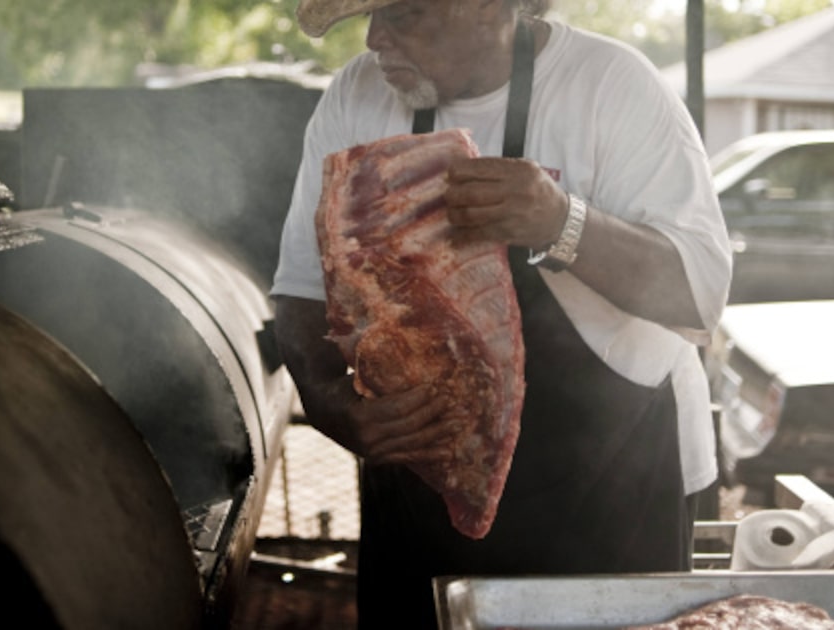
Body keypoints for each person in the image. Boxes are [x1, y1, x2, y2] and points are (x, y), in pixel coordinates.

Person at [270, 0, 733, 627]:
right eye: (368, 17)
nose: (375, 38)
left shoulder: (610, 85)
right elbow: (301, 287)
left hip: (612, 487)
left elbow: (698, 293)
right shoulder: (355, 95)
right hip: (418, 487)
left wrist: (561, 223)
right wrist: (330, 404)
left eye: (402, 14)